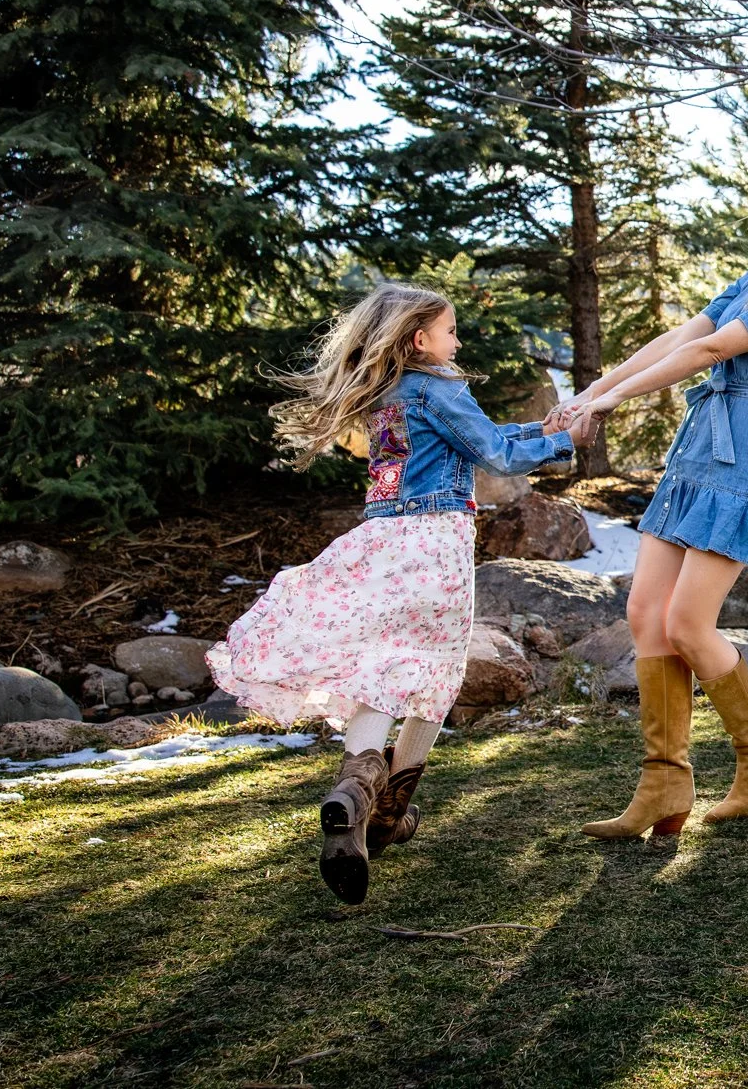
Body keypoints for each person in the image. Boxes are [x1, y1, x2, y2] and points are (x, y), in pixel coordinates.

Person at [207, 284, 587, 905]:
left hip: (383, 539)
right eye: (450, 332)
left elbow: (475, 436)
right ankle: (385, 812)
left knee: (383, 671)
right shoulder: (440, 388)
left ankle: (355, 799)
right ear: (420, 340)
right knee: (432, 674)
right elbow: (491, 452)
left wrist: (538, 426)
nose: (457, 342)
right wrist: (563, 442)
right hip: (436, 543)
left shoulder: (388, 395)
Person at [552, 159, 748, 841]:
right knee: (646, 612)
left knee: (689, 623)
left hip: (745, 454)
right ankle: (663, 782)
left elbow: (712, 352)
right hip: (697, 448)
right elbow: (681, 337)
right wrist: (591, 391)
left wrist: (610, 402)